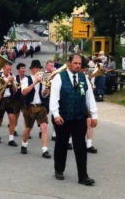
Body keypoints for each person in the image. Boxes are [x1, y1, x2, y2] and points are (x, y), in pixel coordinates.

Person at [50, 54, 98, 186]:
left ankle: (83, 176)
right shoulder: (59, 77)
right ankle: (59, 169)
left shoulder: (84, 78)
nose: (77, 65)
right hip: (63, 117)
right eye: (75, 63)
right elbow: (53, 98)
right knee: (62, 144)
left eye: (79, 64)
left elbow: (89, 97)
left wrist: (94, 115)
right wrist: (56, 114)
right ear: (69, 63)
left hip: (79, 117)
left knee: (81, 146)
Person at [20, 60, 51, 159]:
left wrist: (47, 87)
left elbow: (44, 94)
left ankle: (45, 150)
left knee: (44, 127)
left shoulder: (42, 80)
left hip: (41, 106)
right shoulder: (26, 79)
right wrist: (34, 83)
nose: (38, 70)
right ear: (32, 69)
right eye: (36, 68)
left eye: (39, 68)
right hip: (29, 107)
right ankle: (24, 144)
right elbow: (24, 92)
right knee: (28, 129)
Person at [0, 62, 18, 146]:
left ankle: (11, 139)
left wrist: (13, 84)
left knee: (12, 118)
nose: (9, 71)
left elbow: (15, 91)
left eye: (10, 69)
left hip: (9, 100)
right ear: (3, 68)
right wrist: (7, 82)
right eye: (7, 69)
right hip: (0, 100)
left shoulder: (12, 76)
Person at [13, 63, 27, 137]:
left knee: (26, 115)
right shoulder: (15, 78)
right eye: (22, 68)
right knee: (16, 114)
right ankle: (15, 129)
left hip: (24, 98)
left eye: (24, 68)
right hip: (17, 98)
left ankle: (26, 130)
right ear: (18, 70)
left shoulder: (27, 78)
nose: (23, 70)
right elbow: (14, 89)